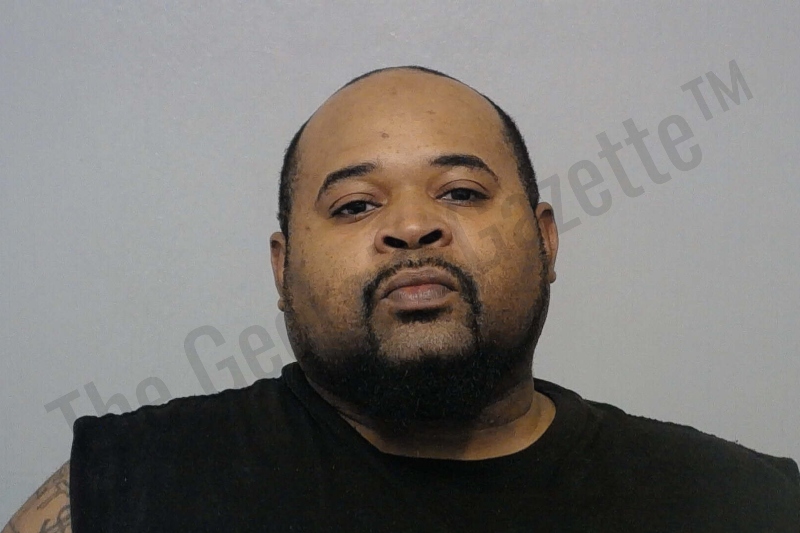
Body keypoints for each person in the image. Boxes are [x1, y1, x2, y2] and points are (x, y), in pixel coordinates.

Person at [4, 66, 799, 533]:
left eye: (461, 191)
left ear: (546, 239)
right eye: (355, 204)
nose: (413, 226)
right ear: (282, 268)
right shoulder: (128, 486)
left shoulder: (745, 502)